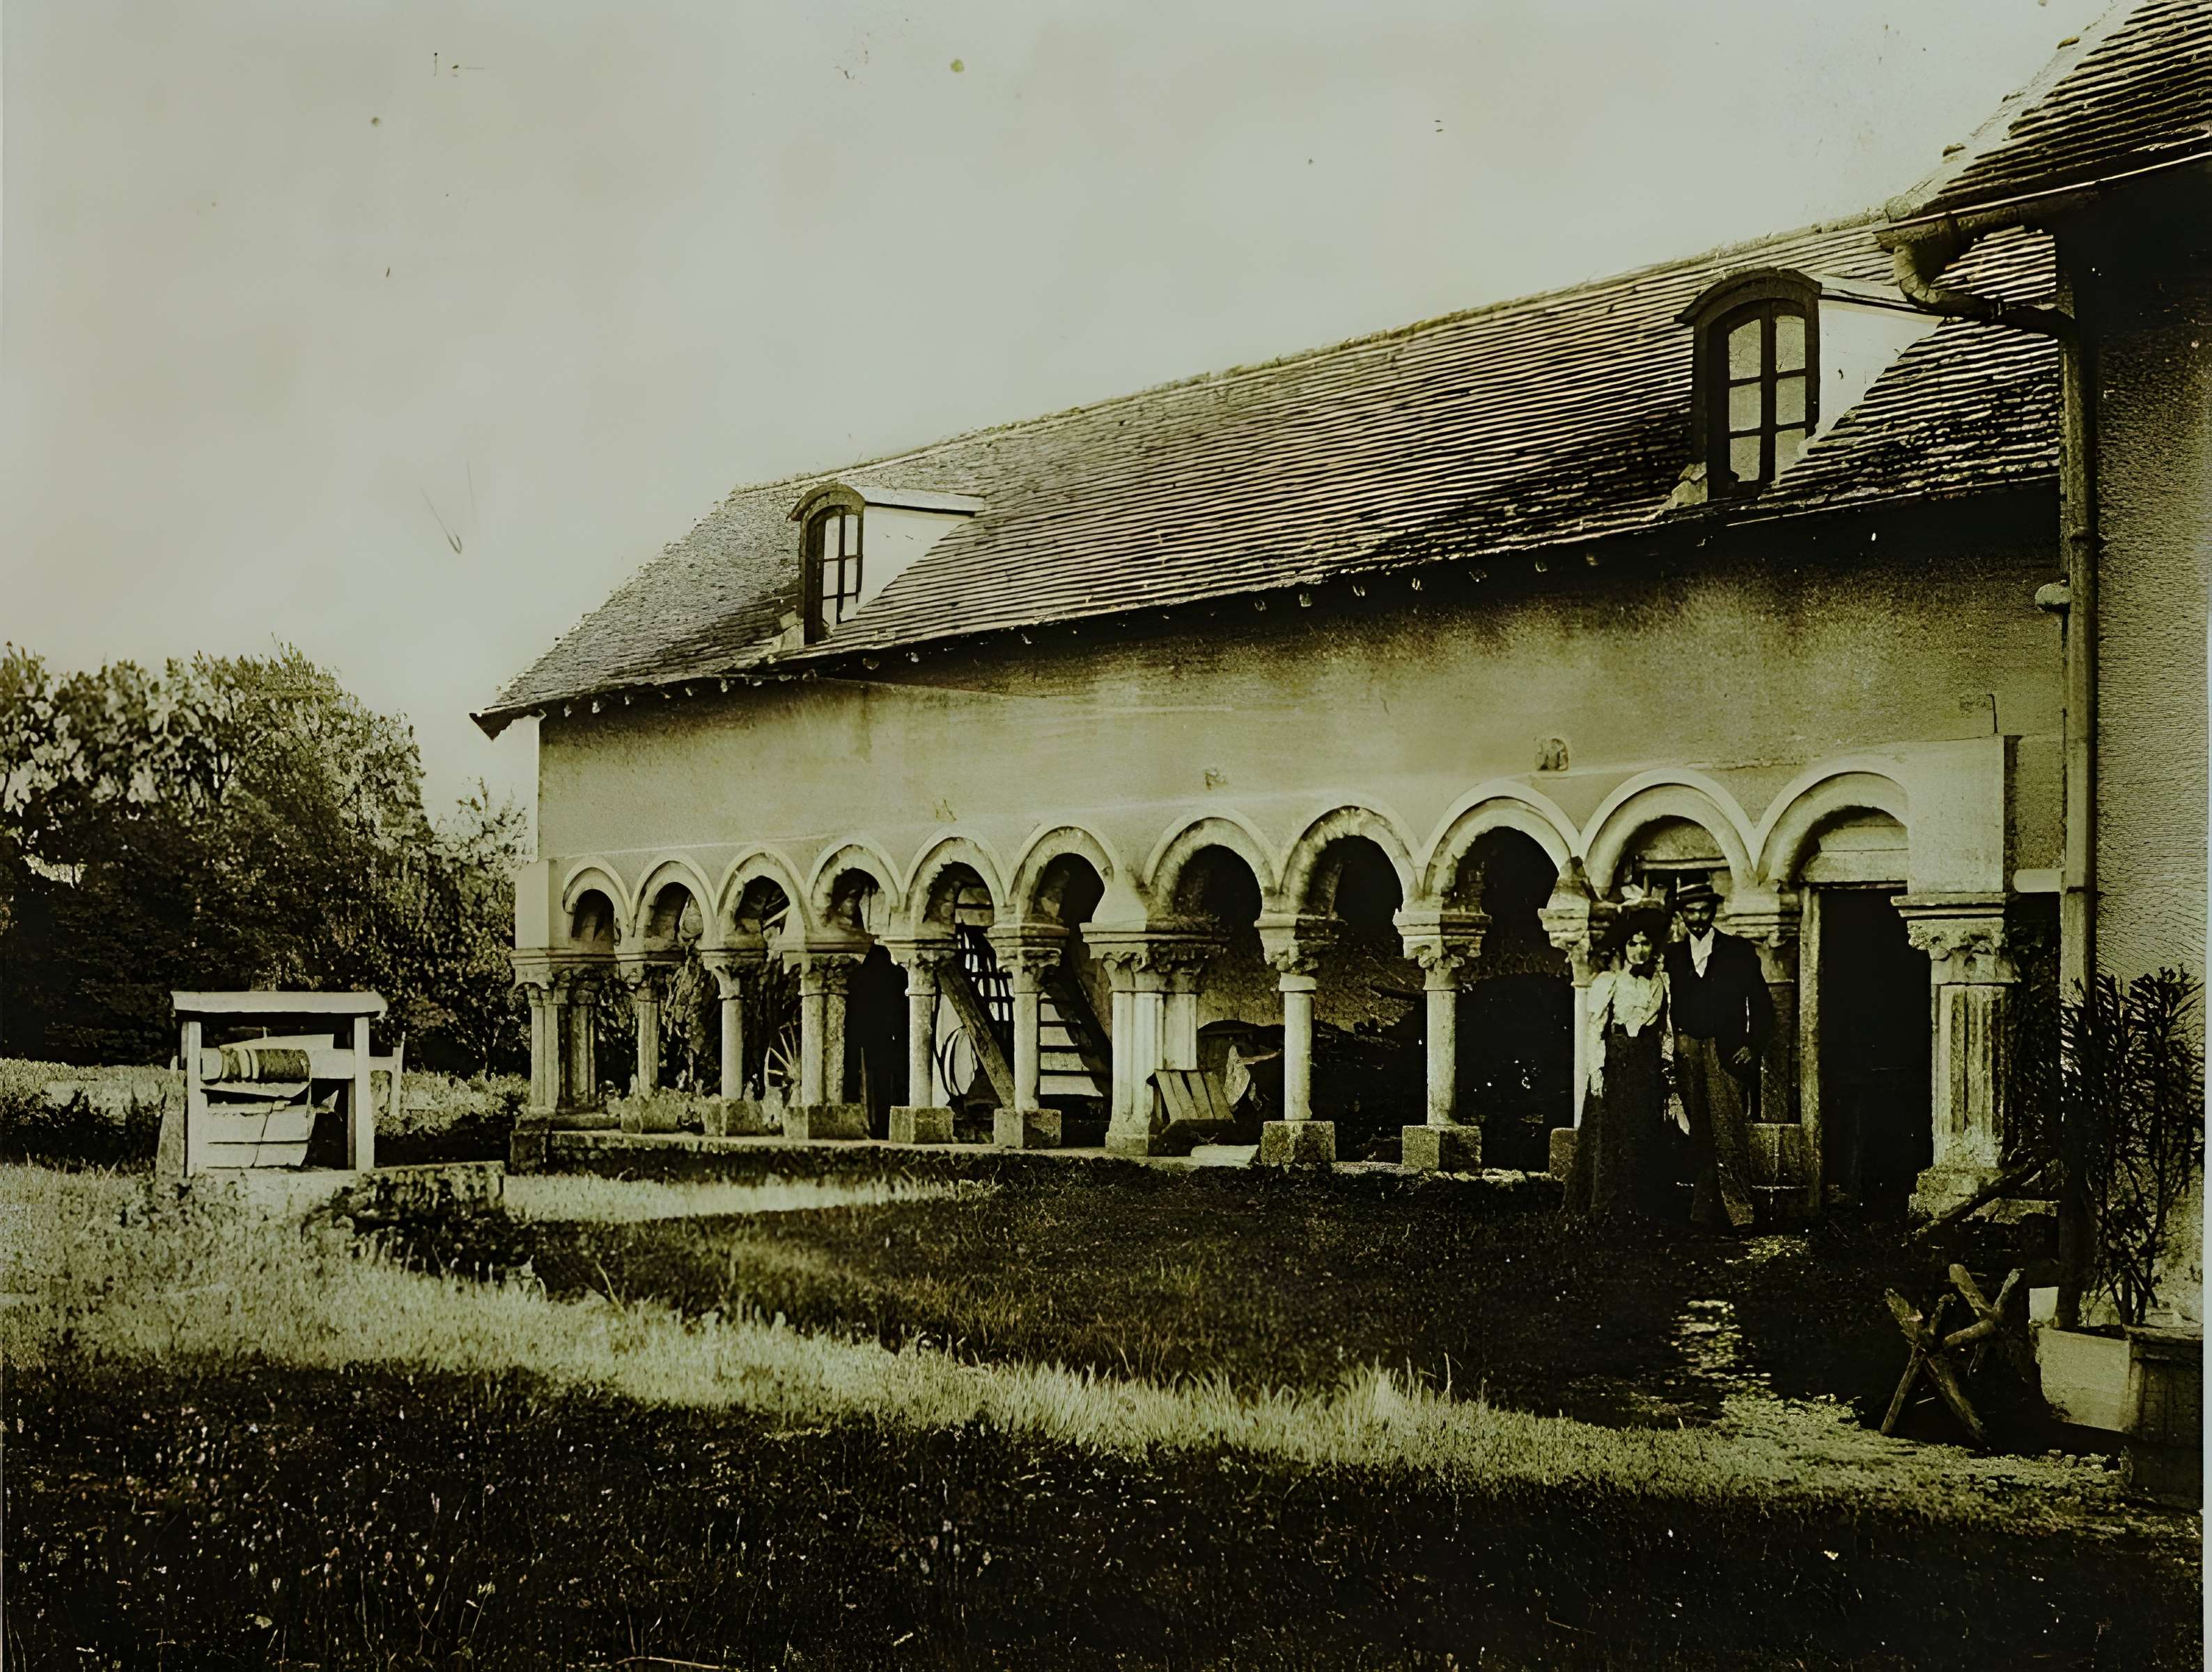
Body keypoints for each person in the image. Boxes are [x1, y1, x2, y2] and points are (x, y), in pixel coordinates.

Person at [1662, 878, 1774, 1232]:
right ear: (1681, 915)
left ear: (1713, 911)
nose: (1697, 918)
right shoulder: (1672, 956)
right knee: (1699, 1134)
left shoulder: (1738, 952)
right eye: (1690, 912)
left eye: (1703, 911)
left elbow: (1763, 1007)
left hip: (1724, 1052)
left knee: (1729, 1132)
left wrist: (1751, 1046)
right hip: (1686, 1051)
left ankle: (1741, 1215)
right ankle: (1703, 1214)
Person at [1563, 906, 1679, 1226]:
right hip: (1616, 1062)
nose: (1639, 950)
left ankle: (1642, 1208)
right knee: (1611, 1132)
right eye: (1632, 943)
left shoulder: (1663, 982)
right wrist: (1597, 1072)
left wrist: (1667, 1068)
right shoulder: (1609, 981)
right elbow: (1596, 1030)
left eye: (1645, 943)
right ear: (1623, 947)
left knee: (1643, 1131)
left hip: (1646, 1062)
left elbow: (1666, 1030)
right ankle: (1605, 1207)